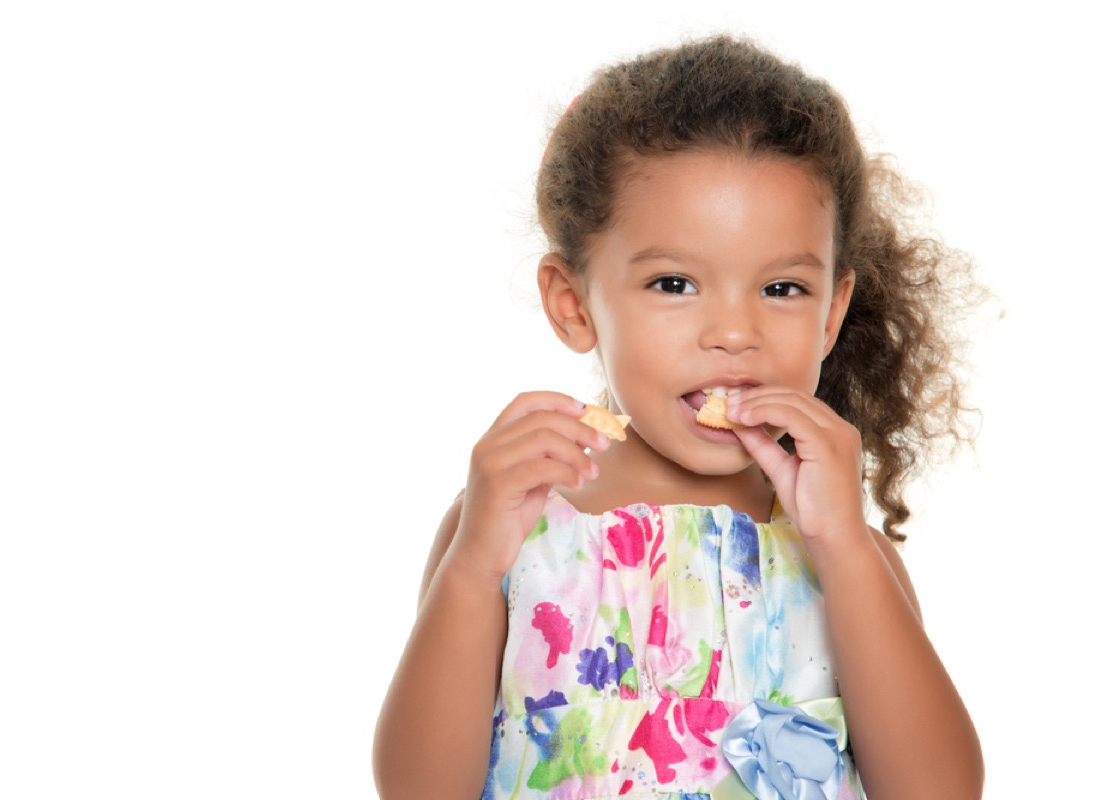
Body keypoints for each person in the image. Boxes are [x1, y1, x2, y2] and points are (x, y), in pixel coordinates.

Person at [373, 35, 983, 800]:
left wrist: (846, 550)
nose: (734, 332)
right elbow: (417, 790)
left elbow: (941, 792)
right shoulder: (518, 529)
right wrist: (469, 571)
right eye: (674, 282)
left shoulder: (844, 555)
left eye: (782, 289)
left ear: (831, 314)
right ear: (574, 304)